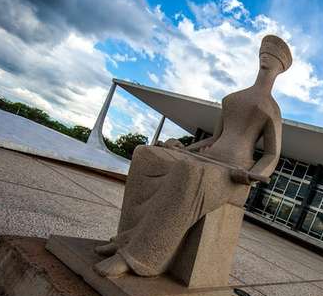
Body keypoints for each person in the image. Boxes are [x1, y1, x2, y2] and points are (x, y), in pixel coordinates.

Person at [93, 35, 293, 278]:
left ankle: (138, 257)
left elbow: (272, 154)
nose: (266, 58)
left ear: (280, 68)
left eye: (272, 56)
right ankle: (124, 239)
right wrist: (182, 150)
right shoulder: (234, 98)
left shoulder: (272, 109)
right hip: (205, 161)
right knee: (146, 155)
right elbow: (213, 138)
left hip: (233, 175)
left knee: (189, 174)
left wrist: (252, 176)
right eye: (264, 53)